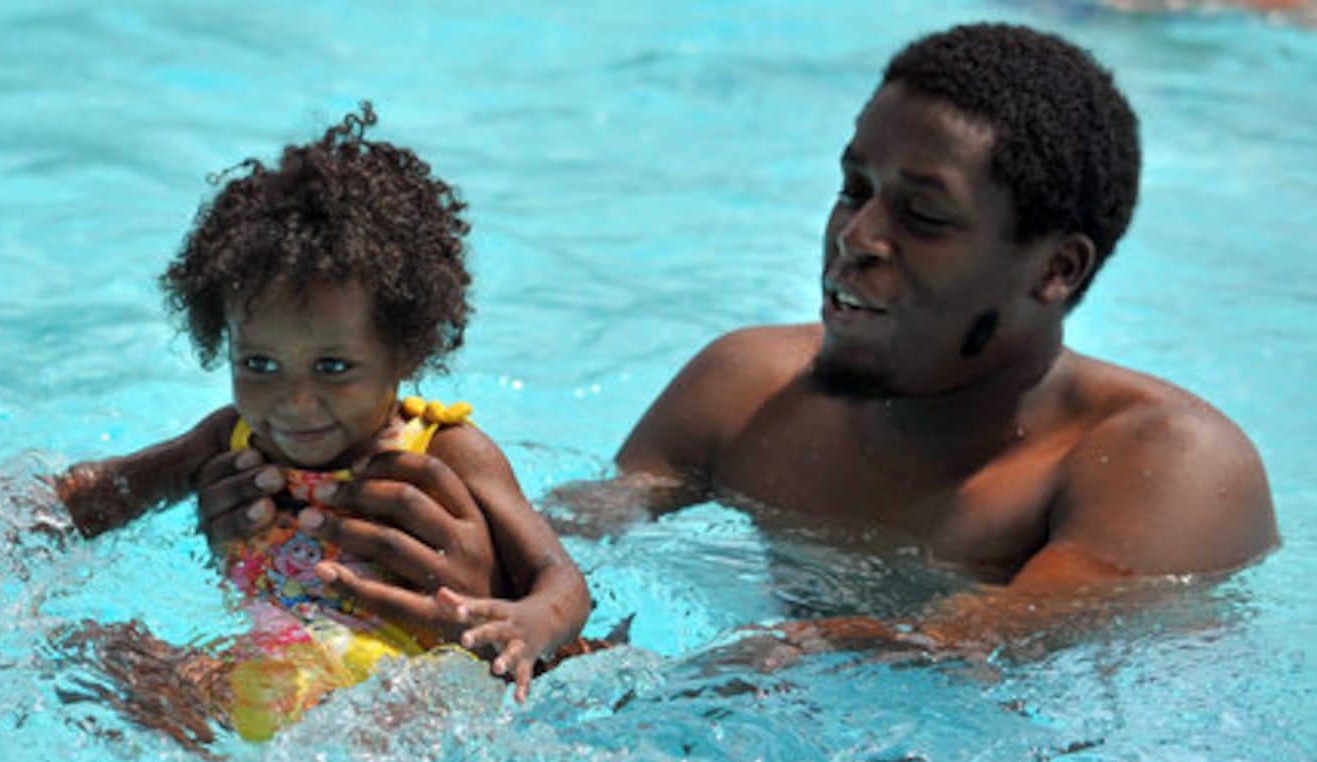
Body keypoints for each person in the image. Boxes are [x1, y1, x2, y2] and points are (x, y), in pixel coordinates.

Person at [194, 24, 1279, 664]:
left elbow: (970, 659)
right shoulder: (742, 391)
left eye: (923, 216)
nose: (853, 238)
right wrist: (373, 537)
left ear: (1055, 270)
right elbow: (576, 540)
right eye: (852, 188)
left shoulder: (1160, 466)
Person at [53, 104, 590, 739]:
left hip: (390, 698)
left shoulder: (447, 450)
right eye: (259, 362)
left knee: (382, 744)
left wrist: (530, 624)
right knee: (88, 650)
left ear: (408, 350)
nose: (293, 402)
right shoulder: (229, 437)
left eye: (332, 366)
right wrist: (4, 526)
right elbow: (104, 494)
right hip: (264, 677)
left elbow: (560, 578)